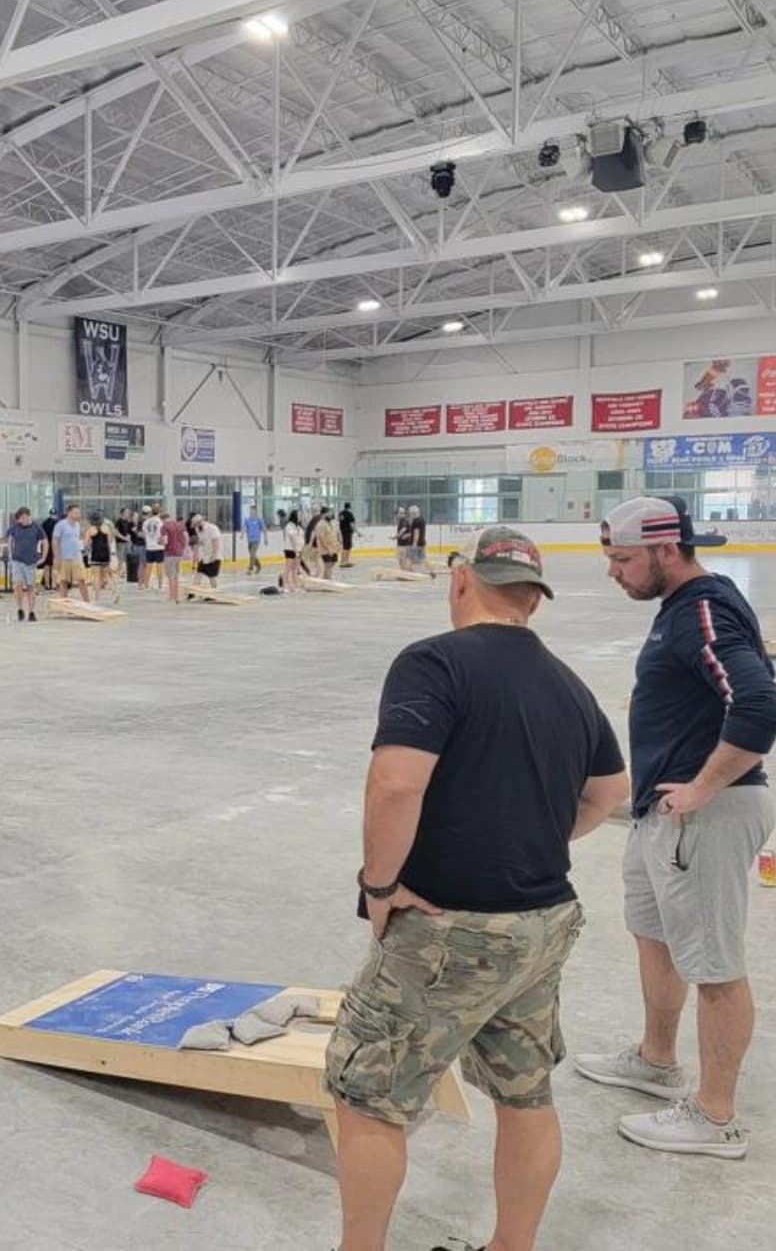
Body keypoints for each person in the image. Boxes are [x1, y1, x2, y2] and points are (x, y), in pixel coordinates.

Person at [324, 526, 629, 1251]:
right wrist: (536, 838)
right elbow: (611, 792)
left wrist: (380, 885)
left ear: (461, 581)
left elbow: (396, 784)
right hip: (543, 923)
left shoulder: (434, 661)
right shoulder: (567, 683)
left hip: (450, 931)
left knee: (368, 1094)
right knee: (526, 1090)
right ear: (535, 601)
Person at [576, 496, 776, 1159]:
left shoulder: (700, 610)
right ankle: (657, 1061)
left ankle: (716, 1117)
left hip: (707, 819)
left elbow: (759, 703)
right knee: (654, 934)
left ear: (667, 551)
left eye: (622, 558)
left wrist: (704, 786)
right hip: (665, 818)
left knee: (714, 965)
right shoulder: (683, 610)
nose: (613, 572)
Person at [6, 505, 49, 621]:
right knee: (18, 585)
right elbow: (10, 540)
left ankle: (31, 611)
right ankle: (20, 608)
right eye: (19, 519)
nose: (21, 521)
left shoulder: (37, 527)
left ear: (27, 516)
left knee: (31, 586)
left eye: (22, 518)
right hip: (17, 560)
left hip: (31, 561)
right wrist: (10, 555)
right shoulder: (15, 527)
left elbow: (45, 542)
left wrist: (43, 557)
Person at [52, 503, 87, 604]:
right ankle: (64, 603)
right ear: (69, 513)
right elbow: (55, 541)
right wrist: (56, 557)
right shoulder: (60, 525)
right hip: (64, 557)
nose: (78, 515)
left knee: (82, 579)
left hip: (76, 556)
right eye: (75, 512)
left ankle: (87, 602)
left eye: (78, 513)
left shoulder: (78, 525)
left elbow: (78, 539)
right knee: (63, 581)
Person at [85, 512, 119, 605]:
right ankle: (115, 592)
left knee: (96, 576)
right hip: (105, 554)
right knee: (108, 575)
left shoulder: (90, 530)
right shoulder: (106, 528)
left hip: (96, 554)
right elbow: (109, 542)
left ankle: (97, 598)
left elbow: (86, 543)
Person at [160, 509, 187, 604]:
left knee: (170, 575)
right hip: (179, 553)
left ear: (162, 519)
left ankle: (171, 596)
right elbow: (185, 537)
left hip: (169, 553)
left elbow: (165, 541)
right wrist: (183, 547)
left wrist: (160, 542)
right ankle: (177, 595)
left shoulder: (164, 527)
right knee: (176, 575)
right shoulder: (179, 525)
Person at [194, 514, 223, 589]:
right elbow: (201, 541)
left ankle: (213, 593)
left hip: (214, 556)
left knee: (211, 576)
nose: (196, 527)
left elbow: (216, 542)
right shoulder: (198, 529)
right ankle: (193, 592)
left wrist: (214, 555)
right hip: (205, 556)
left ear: (200, 522)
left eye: (196, 524)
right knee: (199, 572)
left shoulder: (212, 528)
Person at [142, 505, 165, 591]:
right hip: (158, 547)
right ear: (159, 512)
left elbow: (144, 535)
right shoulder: (160, 522)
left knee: (148, 566)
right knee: (160, 567)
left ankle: (146, 584)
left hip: (149, 546)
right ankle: (160, 585)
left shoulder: (146, 522)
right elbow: (162, 535)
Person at [409, 503, 435, 577]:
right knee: (423, 559)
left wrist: (414, 544)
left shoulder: (415, 521)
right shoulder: (422, 519)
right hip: (422, 542)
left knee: (409, 558)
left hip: (417, 544)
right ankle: (431, 571)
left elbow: (416, 533)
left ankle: (409, 573)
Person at [282, 509, 304, 593]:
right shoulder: (289, 526)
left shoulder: (298, 527)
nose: (301, 517)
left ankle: (295, 586)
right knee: (288, 568)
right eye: (299, 515)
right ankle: (285, 586)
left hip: (299, 549)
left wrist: (300, 549)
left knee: (295, 569)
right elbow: (292, 538)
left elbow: (300, 538)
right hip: (291, 549)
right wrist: (296, 550)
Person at [317, 507, 342, 579]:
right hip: (325, 549)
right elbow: (321, 538)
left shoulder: (332, 523)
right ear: (324, 514)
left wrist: (339, 544)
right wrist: (328, 548)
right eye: (329, 513)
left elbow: (335, 534)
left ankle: (326, 579)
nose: (331, 514)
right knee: (328, 564)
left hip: (333, 547)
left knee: (332, 564)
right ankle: (328, 580)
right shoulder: (321, 524)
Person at [244, 503, 267, 575]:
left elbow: (264, 529)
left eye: (253, 511)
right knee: (252, 555)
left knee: (252, 554)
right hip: (249, 540)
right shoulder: (247, 520)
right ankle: (259, 566)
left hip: (256, 540)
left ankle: (250, 569)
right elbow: (244, 527)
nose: (252, 512)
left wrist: (265, 538)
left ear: (255, 511)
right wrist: (242, 534)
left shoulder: (259, 520)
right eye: (251, 510)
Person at [129, 509, 148, 590]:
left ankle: (142, 582)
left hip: (139, 545)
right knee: (142, 565)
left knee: (143, 565)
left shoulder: (139, 523)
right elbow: (141, 534)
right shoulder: (143, 522)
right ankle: (141, 583)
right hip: (142, 545)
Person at [41, 509, 59, 591]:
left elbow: (41, 535)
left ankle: (47, 584)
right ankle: (53, 584)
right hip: (54, 546)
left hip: (45, 546)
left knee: (46, 566)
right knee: (53, 566)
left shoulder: (44, 523)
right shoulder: (57, 523)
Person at [114, 507, 132, 579]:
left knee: (127, 558)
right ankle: (119, 573)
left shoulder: (127, 521)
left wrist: (128, 537)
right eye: (127, 512)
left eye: (128, 512)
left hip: (127, 542)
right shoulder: (118, 521)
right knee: (120, 559)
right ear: (123, 512)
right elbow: (116, 532)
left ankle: (125, 572)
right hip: (120, 543)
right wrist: (124, 538)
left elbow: (127, 532)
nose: (128, 513)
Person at [394, 505, 414, 570]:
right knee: (401, 559)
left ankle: (406, 571)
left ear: (400, 513)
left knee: (403, 559)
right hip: (403, 544)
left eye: (397, 513)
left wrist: (396, 536)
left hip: (404, 544)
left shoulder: (403, 520)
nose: (396, 515)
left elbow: (403, 529)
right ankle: (405, 571)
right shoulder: (403, 520)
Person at [338, 502, 357, 568]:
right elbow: (351, 524)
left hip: (342, 531)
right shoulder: (349, 514)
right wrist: (357, 532)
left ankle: (342, 561)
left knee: (344, 546)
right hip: (348, 532)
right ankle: (346, 561)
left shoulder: (340, 513)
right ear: (350, 507)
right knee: (347, 547)